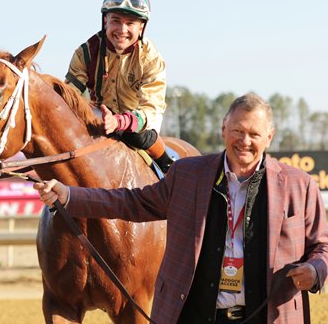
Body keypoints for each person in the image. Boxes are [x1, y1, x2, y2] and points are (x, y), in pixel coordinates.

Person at [34, 93, 328, 323]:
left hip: (269, 317)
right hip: (197, 316)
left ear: (269, 136)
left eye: (254, 134)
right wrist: (71, 196)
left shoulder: (299, 185)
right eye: (238, 130)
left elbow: (323, 247)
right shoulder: (189, 175)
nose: (245, 141)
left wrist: (315, 271)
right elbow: (131, 202)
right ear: (224, 128)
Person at [65, 0, 174, 173]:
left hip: (138, 123)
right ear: (105, 21)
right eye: (116, 20)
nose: (122, 29)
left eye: (130, 23)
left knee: (136, 136)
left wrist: (119, 121)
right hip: (98, 117)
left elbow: (151, 109)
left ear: (141, 27)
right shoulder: (86, 53)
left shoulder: (151, 59)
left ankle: (168, 167)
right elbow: (68, 97)